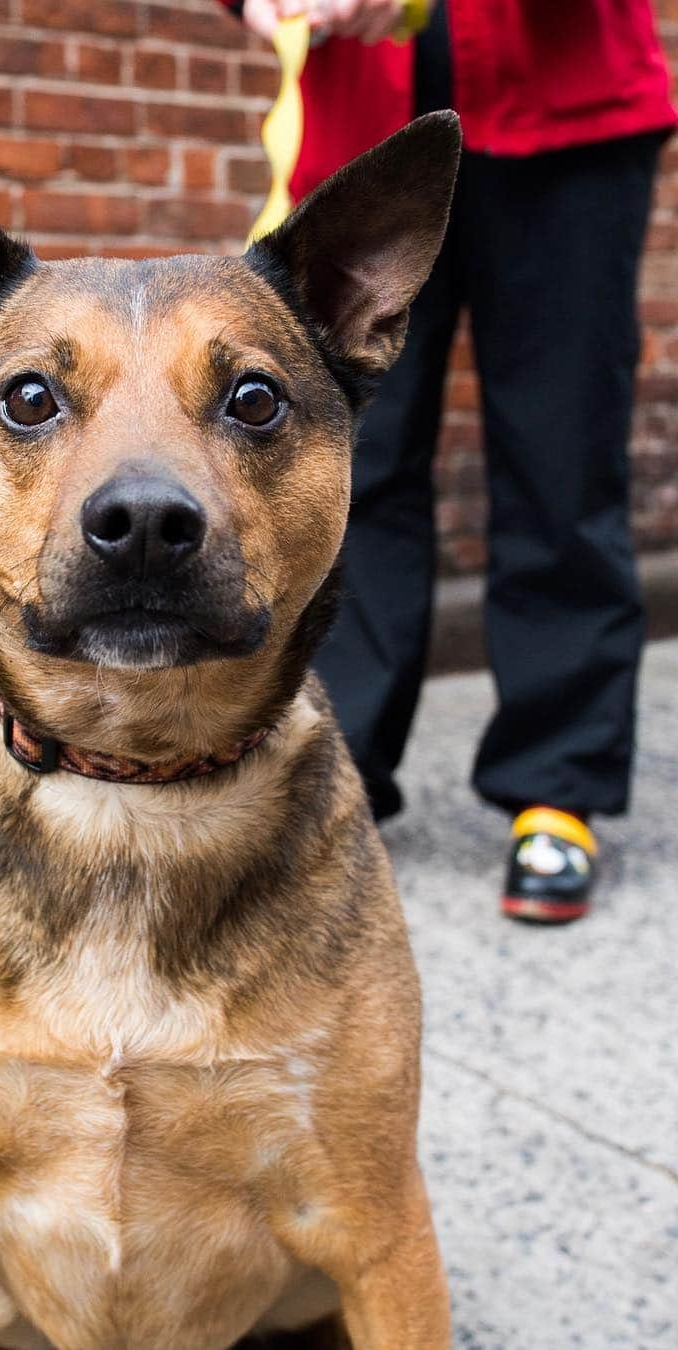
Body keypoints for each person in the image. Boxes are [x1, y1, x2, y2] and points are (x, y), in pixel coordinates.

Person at [227, 0, 676, 921]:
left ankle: (558, 784)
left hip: (567, 114)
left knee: (562, 457)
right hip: (357, 125)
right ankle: (334, 776)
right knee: (351, 464)